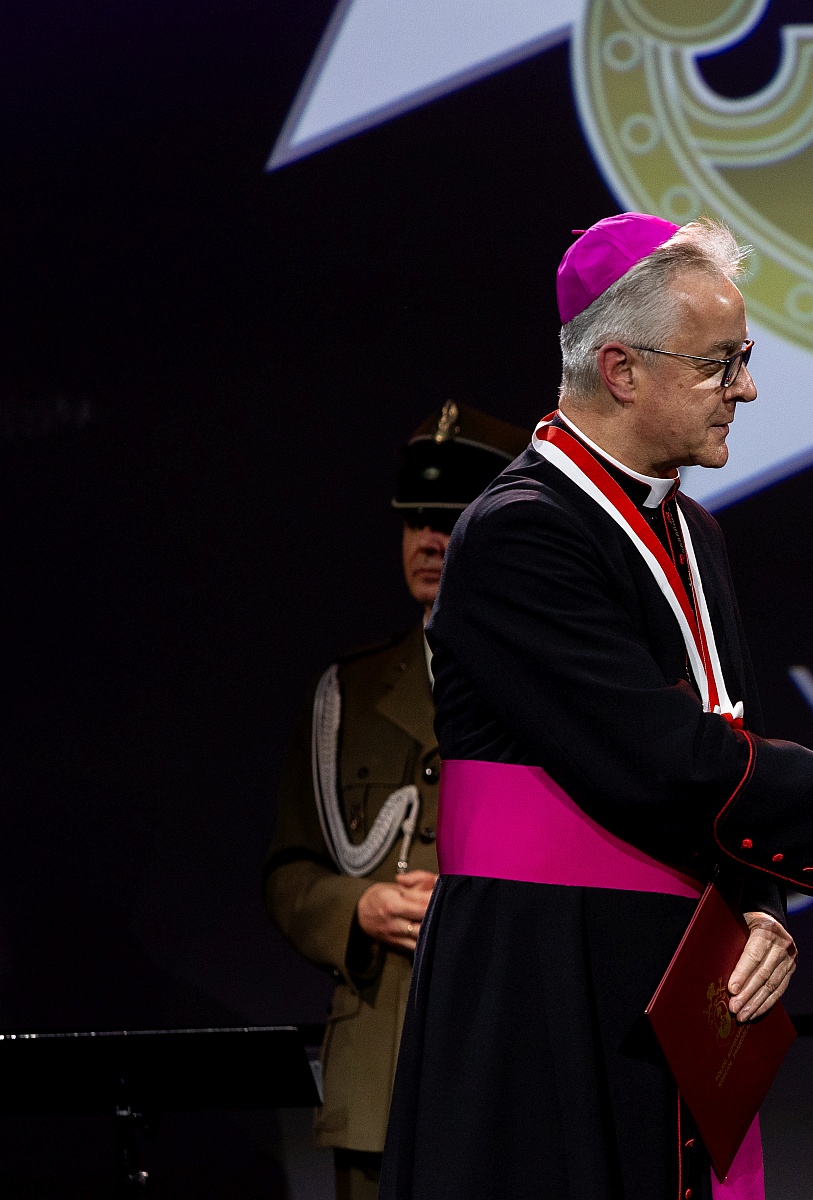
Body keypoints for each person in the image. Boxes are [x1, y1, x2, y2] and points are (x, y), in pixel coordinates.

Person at [379, 213, 813, 1200]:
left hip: (669, 974)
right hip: (543, 975)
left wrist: (759, 910)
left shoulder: (692, 529)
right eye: (720, 364)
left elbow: (727, 737)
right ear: (621, 369)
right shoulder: (518, 535)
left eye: (743, 359)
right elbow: (661, 756)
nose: (746, 389)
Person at [265, 400, 529, 1200]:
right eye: (415, 519)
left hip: (507, 1056)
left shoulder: (549, 684)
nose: (428, 539)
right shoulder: (348, 693)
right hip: (380, 1068)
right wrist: (360, 906)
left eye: (450, 518)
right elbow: (290, 871)